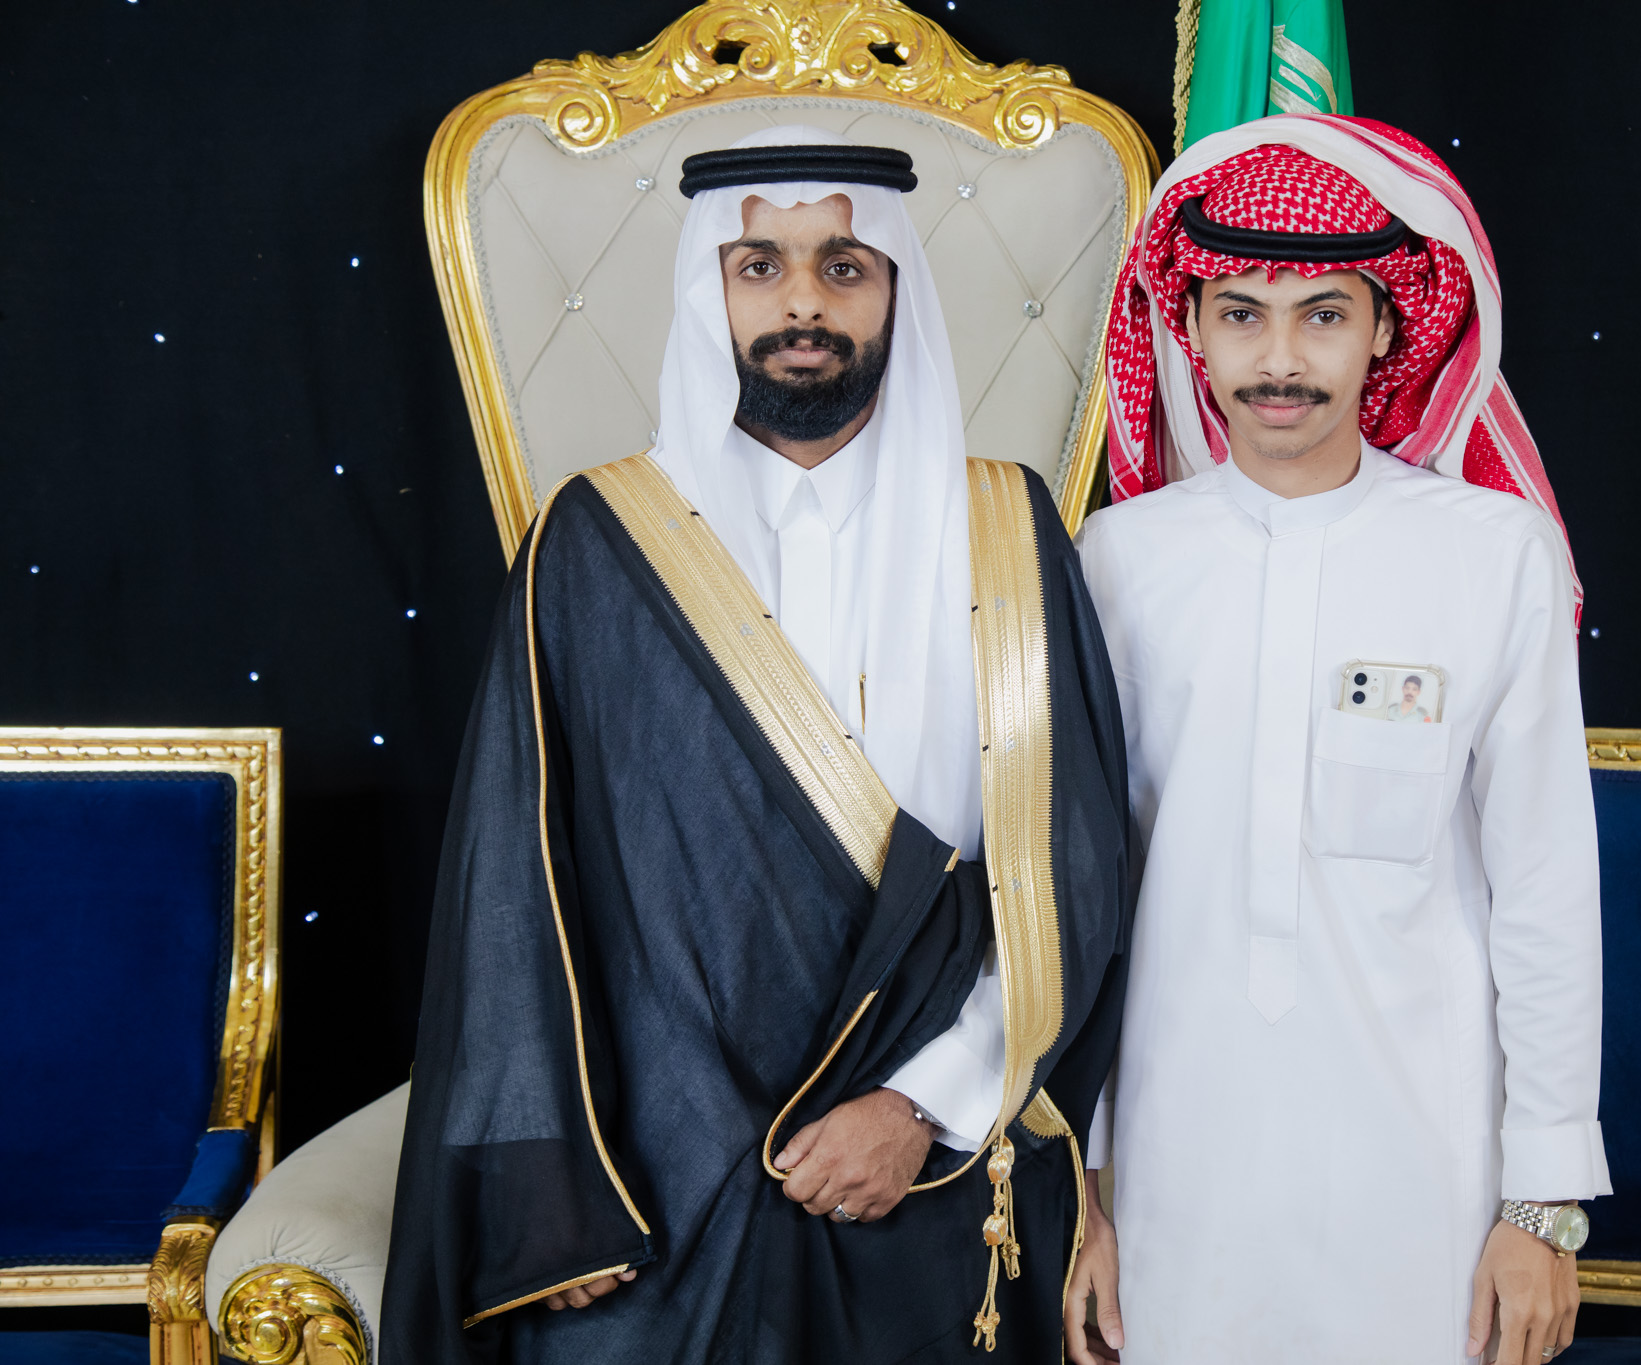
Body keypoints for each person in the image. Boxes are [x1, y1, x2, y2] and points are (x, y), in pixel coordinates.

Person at [385, 127, 1132, 1364]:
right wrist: (552, 1190)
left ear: (894, 289)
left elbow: (1070, 871)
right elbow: (513, 885)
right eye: (758, 267)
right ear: (709, 292)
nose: (801, 303)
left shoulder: (1006, 531)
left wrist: (922, 1105)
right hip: (653, 1171)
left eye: (842, 267)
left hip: (928, 1159)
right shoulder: (594, 540)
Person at [1065, 115, 1609, 1365]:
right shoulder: (1118, 561)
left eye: (1320, 315)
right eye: (1240, 314)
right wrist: (1082, 1191)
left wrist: (1539, 1205)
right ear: (1188, 330)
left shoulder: (1492, 554)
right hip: (1173, 1167)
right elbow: (1089, 898)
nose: (1279, 360)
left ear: (1383, 329)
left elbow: (1542, 888)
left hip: (1424, 1178)